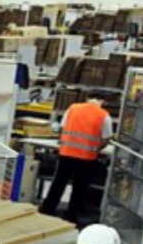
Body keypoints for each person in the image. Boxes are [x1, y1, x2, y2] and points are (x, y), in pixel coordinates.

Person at [42, 94, 112, 224]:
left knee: (59, 182)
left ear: (87, 99)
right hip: (86, 157)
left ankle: (47, 209)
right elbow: (106, 139)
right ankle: (71, 215)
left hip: (67, 153)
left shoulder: (73, 108)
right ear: (102, 101)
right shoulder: (104, 115)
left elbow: (63, 128)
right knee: (79, 187)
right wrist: (96, 148)